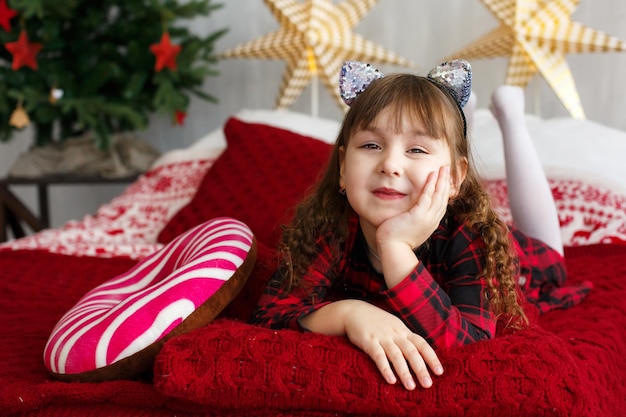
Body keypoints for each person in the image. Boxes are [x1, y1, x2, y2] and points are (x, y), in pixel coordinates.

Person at [250, 60, 591, 391]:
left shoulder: (472, 235)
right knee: (441, 140)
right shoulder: (332, 226)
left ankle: (510, 116)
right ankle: (455, 123)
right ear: (342, 167)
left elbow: (471, 344)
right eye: (371, 145)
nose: (390, 164)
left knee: (552, 256)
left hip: (526, 262)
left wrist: (396, 249)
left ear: (455, 178)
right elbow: (270, 314)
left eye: (415, 149)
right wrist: (348, 313)